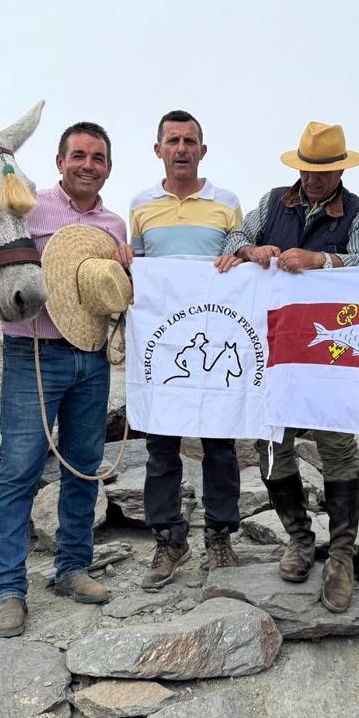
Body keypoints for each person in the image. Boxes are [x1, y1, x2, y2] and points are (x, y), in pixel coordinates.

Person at [0, 121, 132, 637]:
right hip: (32, 353)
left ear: (108, 168)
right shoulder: (26, 205)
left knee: (84, 467)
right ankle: (8, 588)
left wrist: (125, 271)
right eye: (79, 155)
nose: (88, 165)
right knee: (20, 469)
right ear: (60, 161)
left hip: (91, 355)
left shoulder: (115, 225)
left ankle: (73, 567)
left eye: (97, 157)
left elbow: (115, 291)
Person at [217, 121, 359, 613]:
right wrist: (250, 251)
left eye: (323, 171)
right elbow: (232, 240)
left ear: (340, 171)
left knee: (338, 447)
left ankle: (342, 554)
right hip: (276, 349)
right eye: (307, 169)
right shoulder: (272, 203)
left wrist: (321, 261)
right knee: (272, 444)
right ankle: (299, 538)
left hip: (332, 354)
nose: (312, 179)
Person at [128, 110, 245, 589]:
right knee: (161, 446)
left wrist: (239, 259)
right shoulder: (140, 206)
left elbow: (239, 260)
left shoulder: (227, 204)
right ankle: (168, 539)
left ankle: (220, 536)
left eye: (190, 141)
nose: (181, 148)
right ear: (158, 149)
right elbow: (138, 271)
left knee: (220, 445)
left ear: (203, 150)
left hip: (215, 342)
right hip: (164, 345)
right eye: (173, 140)